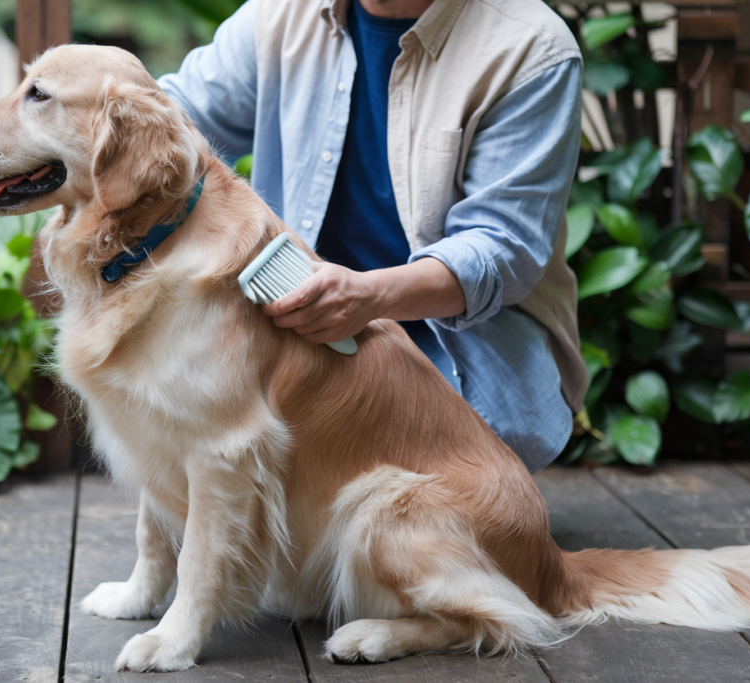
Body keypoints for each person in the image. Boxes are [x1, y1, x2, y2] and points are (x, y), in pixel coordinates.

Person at [158, 0, 586, 472]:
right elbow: (167, 119)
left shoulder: (531, 45)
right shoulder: (278, 15)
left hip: (460, 364)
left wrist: (368, 296)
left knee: (413, 519)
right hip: (294, 339)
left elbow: (501, 249)